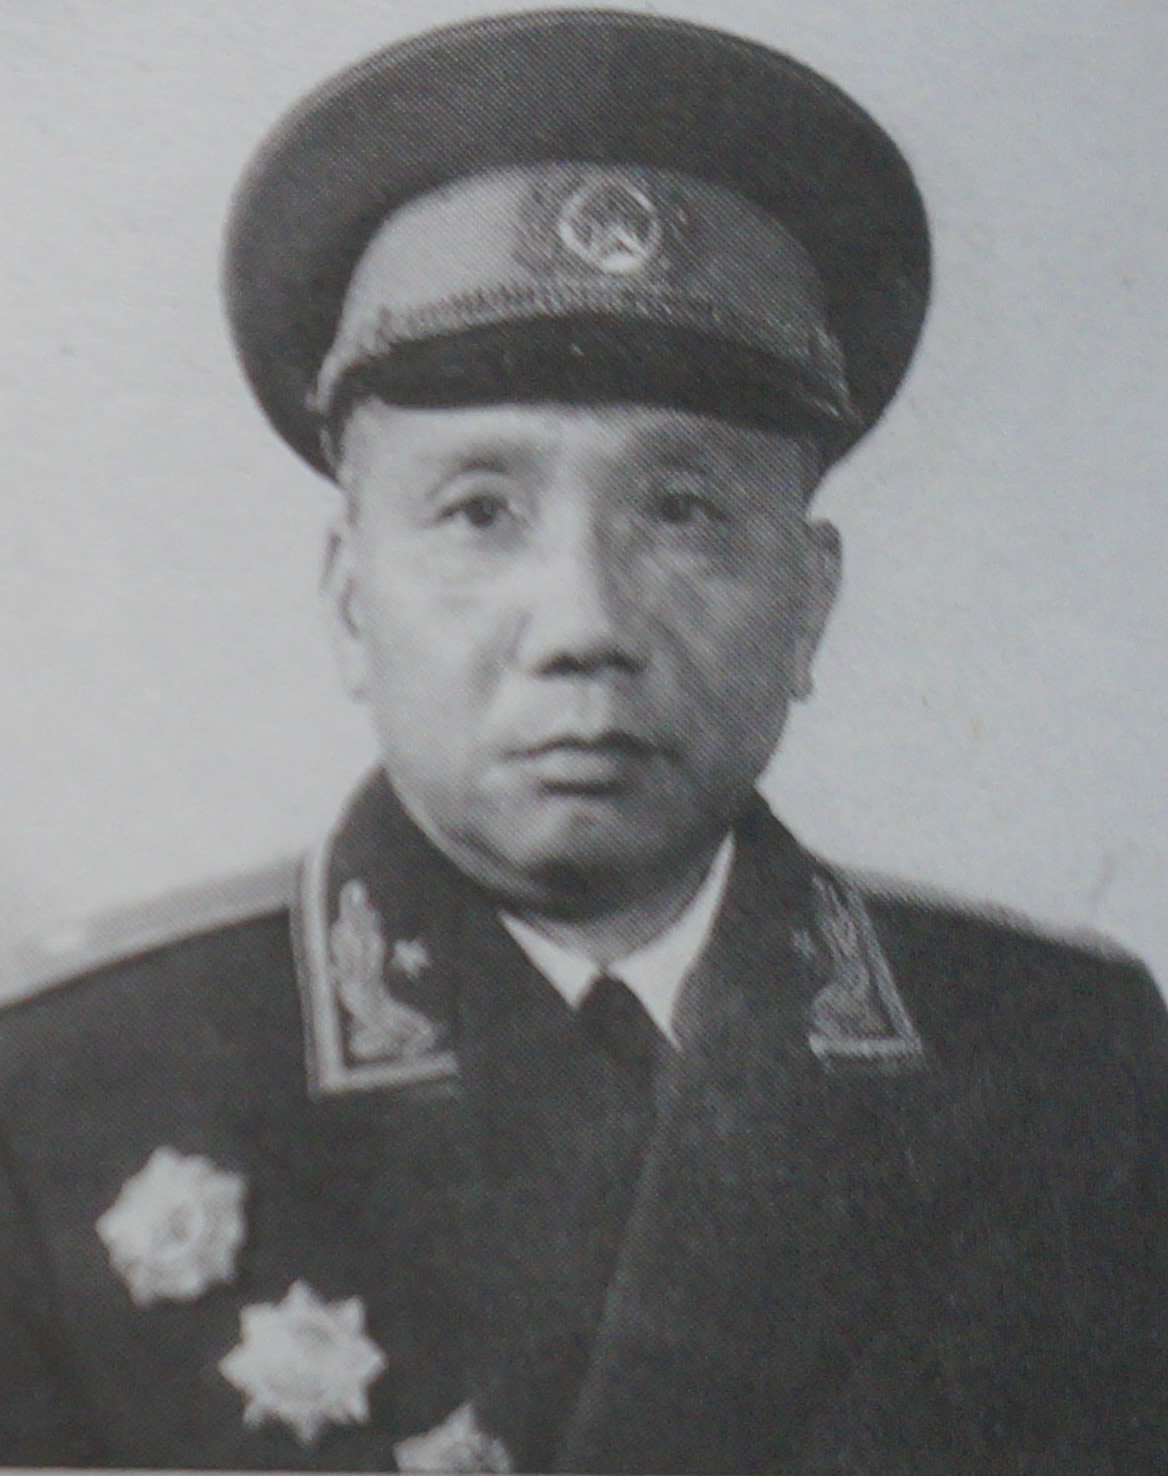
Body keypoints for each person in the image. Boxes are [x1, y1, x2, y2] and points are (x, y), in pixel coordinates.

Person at [0, 9, 1165, 1472]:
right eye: (480, 511)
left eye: (681, 511)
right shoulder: (73, 1085)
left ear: (809, 603)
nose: (584, 624)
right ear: (352, 600)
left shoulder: (1066, 1069)